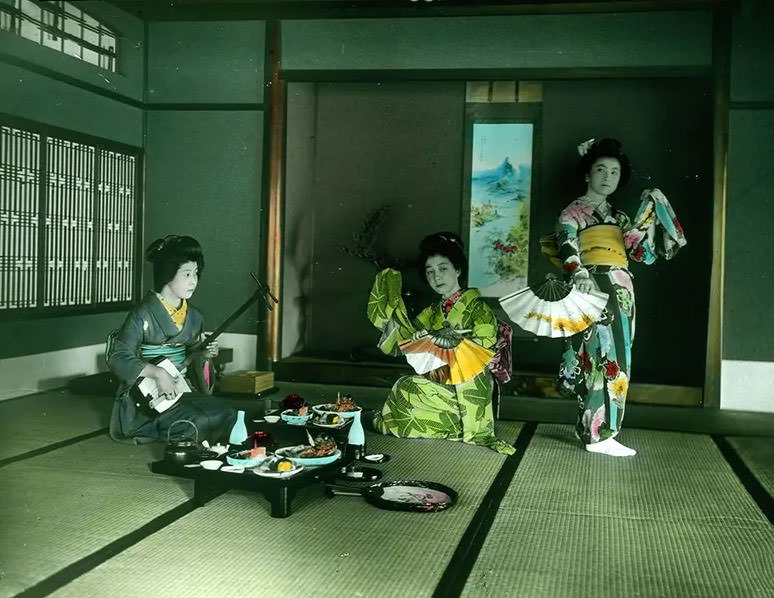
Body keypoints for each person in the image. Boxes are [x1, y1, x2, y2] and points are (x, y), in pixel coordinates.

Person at [555, 138, 686, 457]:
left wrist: (646, 213)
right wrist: (581, 274)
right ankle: (600, 434)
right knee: (603, 357)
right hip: (592, 284)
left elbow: (642, 253)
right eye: (600, 169)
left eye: (614, 171)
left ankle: (594, 431)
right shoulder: (573, 212)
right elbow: (566, 245)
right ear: (587, 174)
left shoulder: (620, 218)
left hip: (622, 287)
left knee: (618, 356)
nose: (607, 176)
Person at [366, 232, 515, 455]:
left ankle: (460, 426)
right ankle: (443, 423)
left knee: (412, 391)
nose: (437, 277)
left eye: (443, 269)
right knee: (406, 385)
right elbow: (406, 337)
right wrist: (417, 337)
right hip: (440, 381)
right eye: (430, 272)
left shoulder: (478, 308)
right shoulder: (431, 312)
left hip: (470, 384)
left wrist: (451, 338)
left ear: (458, 270)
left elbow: (486, 345)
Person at [107, 235, 236, 444]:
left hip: (182, 387)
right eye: (186, 274)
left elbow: (194, 358)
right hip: (147, 397)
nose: (193, 281)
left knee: (226, 413)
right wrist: (157, 373)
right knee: (198, 422)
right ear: (168, 274)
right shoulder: (142, 314)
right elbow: (118, 357)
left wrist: (203, 355)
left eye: (196, 273)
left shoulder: (195, 316)